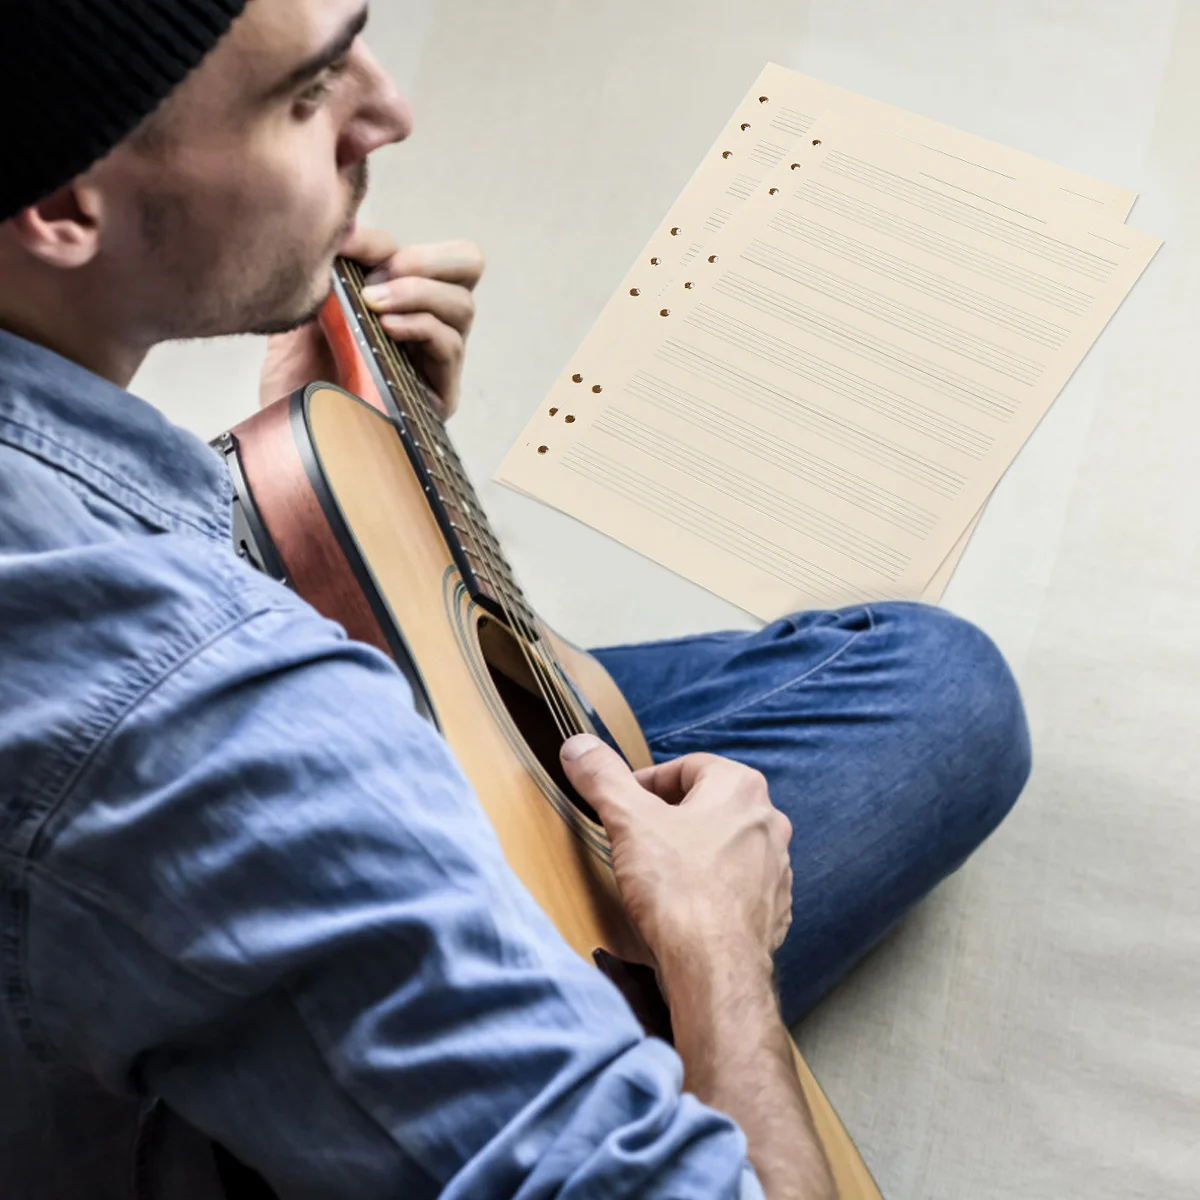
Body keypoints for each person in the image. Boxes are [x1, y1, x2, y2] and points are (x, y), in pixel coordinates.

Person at [0, 2, 1031, 1197]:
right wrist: (714, 954)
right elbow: (172, 718)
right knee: (924, 711)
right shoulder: (205, 712)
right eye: (303, 93)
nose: (389, 109)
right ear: (63, 207)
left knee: (928, 680)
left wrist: (319, 507)